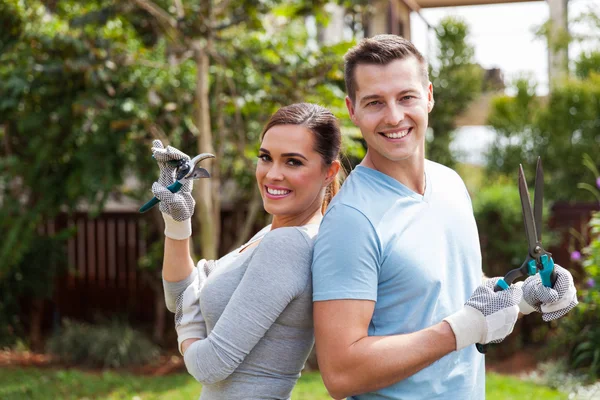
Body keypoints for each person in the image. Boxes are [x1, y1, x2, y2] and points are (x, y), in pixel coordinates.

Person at [311, 34, 578, 400]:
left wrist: (524, 296)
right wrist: (460, 329)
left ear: (430, 96)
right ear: (352, 109)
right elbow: (340, 373)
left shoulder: (450, 183)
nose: (394, 116)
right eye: (374, 102)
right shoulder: (350, 221)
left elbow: (456, 293)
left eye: (406, 97)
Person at [151, 102, 341, 399]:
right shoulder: (271, 233)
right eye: (266, 158)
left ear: (329, 171)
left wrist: (186, 324)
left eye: (293, 162)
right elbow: (179, 296)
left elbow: (209, 366)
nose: (273, 174)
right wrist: (177, 222)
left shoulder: (289, 245)